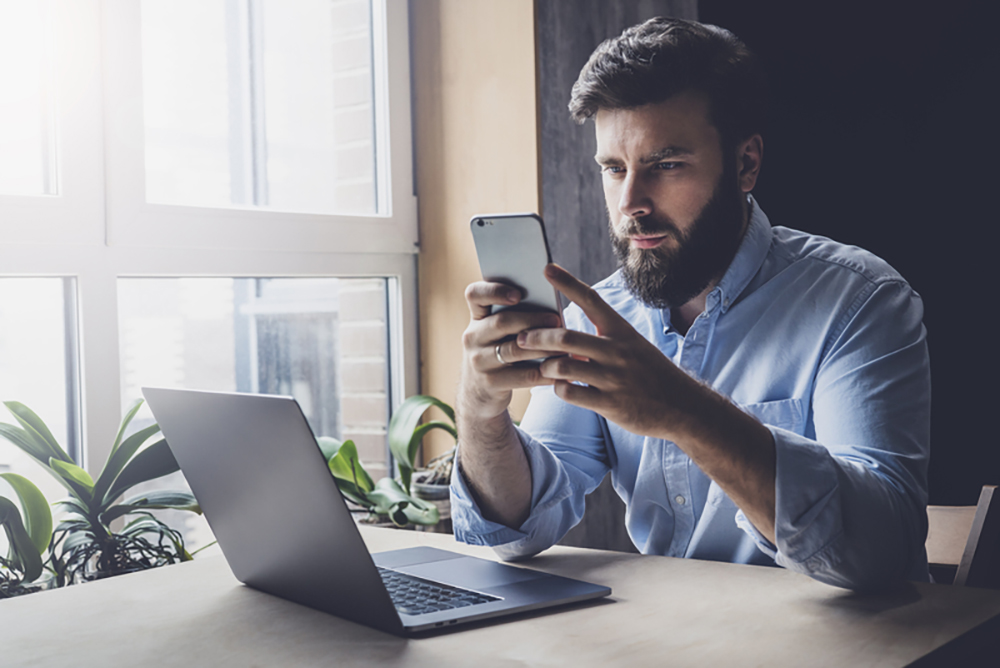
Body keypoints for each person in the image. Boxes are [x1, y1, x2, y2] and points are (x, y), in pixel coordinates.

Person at [449, 17, 930, 590]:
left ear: (746, 163)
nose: (630, 202)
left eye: (666, 165)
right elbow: (520, 528)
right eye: (613, 169)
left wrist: (681, 409)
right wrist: (480, 410)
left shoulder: (860, 302)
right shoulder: (600, 317)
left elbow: (883, 550)